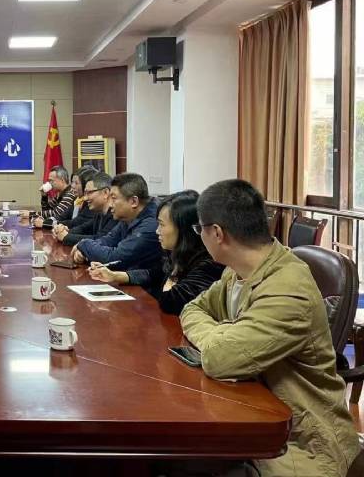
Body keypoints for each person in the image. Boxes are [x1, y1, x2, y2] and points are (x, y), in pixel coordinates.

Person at [180, 179, 359, 477]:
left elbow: (220, 359)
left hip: (301, 441)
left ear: (217, 233)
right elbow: (192, 309)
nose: (201, 236)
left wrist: (221, 340)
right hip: (252, 415)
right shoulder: (237, 272)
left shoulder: (289, 287)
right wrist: (223, 336)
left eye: (200, 230)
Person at [89, 190, 223, 315]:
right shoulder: (178, 254)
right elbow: (154, 274)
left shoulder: (209, 265)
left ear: (183, 229)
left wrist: (173, 275)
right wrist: (115, 276)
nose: (157, 231)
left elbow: (171, 302)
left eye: (162, 225)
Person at [72, 173, 161, 276]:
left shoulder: (151, 224)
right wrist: (85, 251)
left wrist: (83, 244)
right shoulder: (128, 217)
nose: (110, 204)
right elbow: (107, 240)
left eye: (113, 198)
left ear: (133, 201)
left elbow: (115, 258)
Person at [55, 171, 117, 247]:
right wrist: (66, 231)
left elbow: (100, 239)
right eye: (85, 193)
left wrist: (66, 237)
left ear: (105, 193)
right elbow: (84, 228)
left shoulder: (116, 214)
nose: (85, 198)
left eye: (89, 193)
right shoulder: (99, 213)